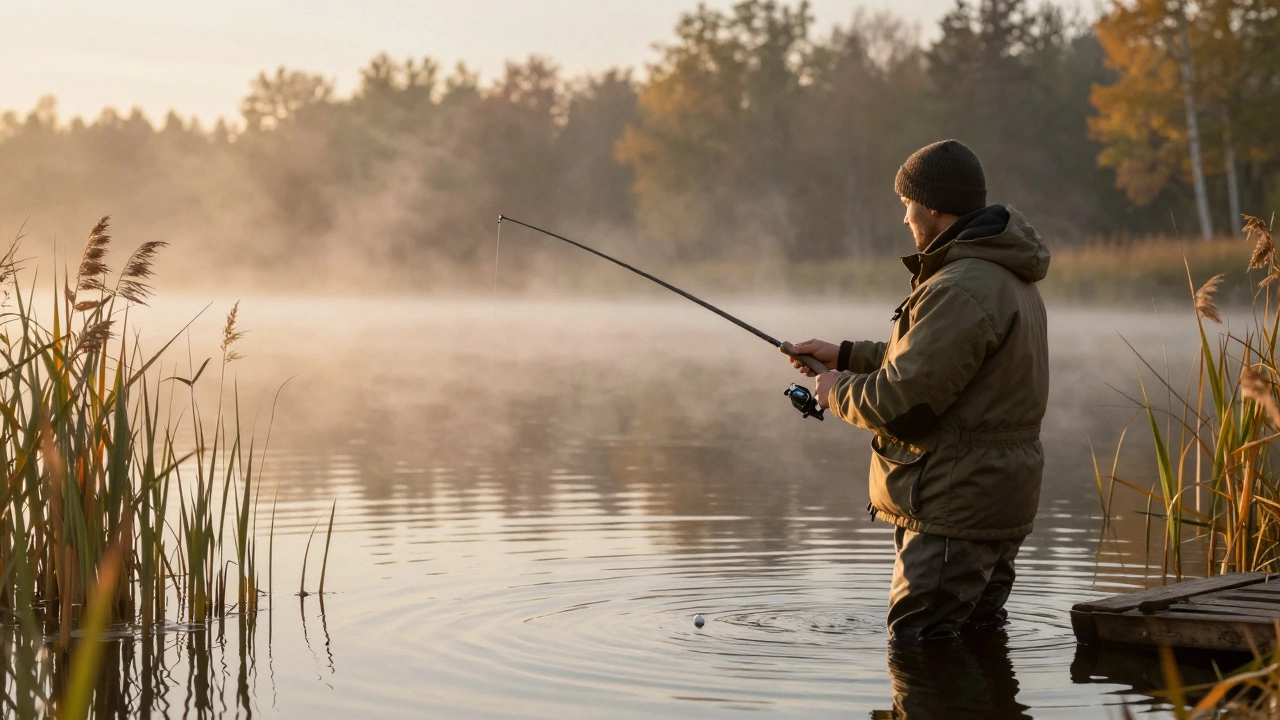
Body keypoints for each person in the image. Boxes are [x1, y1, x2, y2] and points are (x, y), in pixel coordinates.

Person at [787, 139, 1050, 642]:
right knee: (974, 646)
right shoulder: (1000, 276)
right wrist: (843, 356)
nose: (905, 216)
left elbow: (904, 402)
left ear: (933, 205)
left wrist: (835, 390)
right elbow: (939, 368)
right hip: (994, 499)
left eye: (907, 202)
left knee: (919, 649)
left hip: (954, 508)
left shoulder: (958, 287)